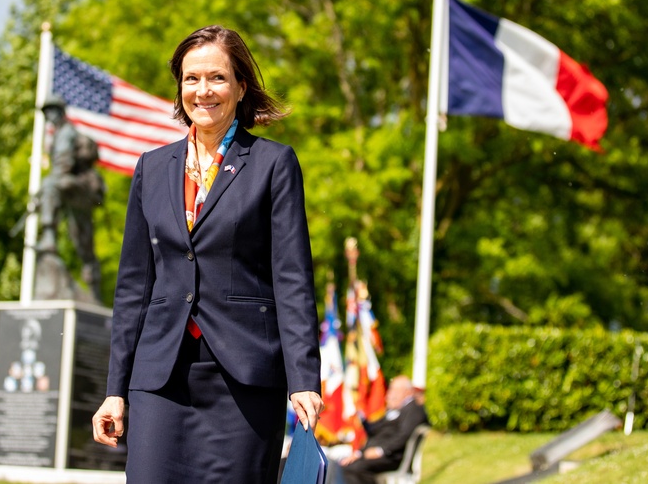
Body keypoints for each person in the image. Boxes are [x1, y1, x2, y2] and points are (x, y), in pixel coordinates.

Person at [92, 25, 323, 484]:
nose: (203, 91)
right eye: (191, 79)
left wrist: (304, 378)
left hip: (244, 377)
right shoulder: (151, 168)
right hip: (160, 375)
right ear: (179, 88)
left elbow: (292, 277)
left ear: (240, 86)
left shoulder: (274, 165)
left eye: (216, 78)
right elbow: (134, 286)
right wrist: (115, 390)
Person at [37, 94, 106, 299]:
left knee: (49, 186)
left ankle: (48, 234)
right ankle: (93, 284)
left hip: (79, 187)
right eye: (47, 111)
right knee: (81, 239)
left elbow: (63, 166)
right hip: (73, 189)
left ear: (60, 111)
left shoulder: (66, 134)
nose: (49, 115)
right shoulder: (59, 133)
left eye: (52, 110)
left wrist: (44, 191)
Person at [336, 376, 429, 484]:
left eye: (395, 390)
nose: (390, 394)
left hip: (392, 456)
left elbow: (404, 435)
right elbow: (375, 430)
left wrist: (381, 450)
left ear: (407, 391)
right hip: (375, 454)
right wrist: (358, 453)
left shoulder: (413, 408)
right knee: (346, 465)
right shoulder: (394, 410)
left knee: (355, 468)